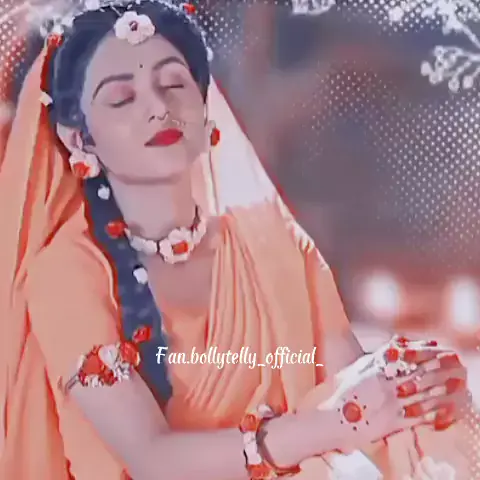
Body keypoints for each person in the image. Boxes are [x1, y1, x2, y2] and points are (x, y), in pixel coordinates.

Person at [0, 1, 477, 479]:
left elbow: (353, 392)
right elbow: (153, 460)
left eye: (173, 84)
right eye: (122, 98)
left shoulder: (271, 245)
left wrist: (418, 391)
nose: (159, 109)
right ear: (79, 139)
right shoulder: (67, 272)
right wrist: (337, 423)